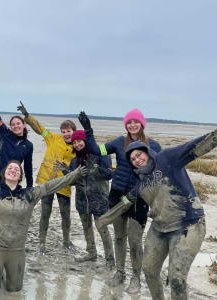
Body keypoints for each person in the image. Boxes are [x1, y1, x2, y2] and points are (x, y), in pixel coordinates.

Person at [96, 128, 217, 300]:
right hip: (160, 228)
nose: (137, 160)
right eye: (132, 160)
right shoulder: (140, 184)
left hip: (189, 224)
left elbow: (196, 146)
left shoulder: (167, 158)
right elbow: (124, 204)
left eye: (138, 155)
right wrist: (103, 220)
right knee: (149, 270)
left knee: (176, 278)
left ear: (146, 151)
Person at [0, 160, 87, 297]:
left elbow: (51, 186)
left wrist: (75, 174)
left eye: (17, 169)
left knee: (14, 290)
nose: (13, 170)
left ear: (20, 177)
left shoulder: (29, 194)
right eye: (10, 168)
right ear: (4, 173)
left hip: (16, 251)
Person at [78, 109, 162, 293]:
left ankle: (135, 278)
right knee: (118, 237)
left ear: (142, 124)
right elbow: (95, 150)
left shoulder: (154, 145)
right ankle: (120, 272)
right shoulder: (118, 143)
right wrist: (88, 130)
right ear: (126, 125)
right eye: (129, 122)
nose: (132, 125)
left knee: (134, 241)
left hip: (139, 199)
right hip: (117, 196)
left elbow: (159, 173)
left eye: (135, 122)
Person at [17, 102, 76, 253]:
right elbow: (40, 129)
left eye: (68, 131)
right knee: (45, 213)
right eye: (63, 131)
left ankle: (66, 240)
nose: (66, 134)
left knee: (65, 215)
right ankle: (41, 242)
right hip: (47, 181)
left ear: (73, 131)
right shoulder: (53, 138)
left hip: (64, 184)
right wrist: (27, 116)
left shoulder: (78, 145)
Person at [54, 130, 115, 269]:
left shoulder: (100, 154)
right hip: (82, 200)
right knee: (86, 227)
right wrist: (67, 172)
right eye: (74, 142)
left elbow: (108, 175)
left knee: (103, 229)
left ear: (85, 140)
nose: (77, 144)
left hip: (99, 199)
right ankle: (91, 253)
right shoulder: (75, 160)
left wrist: (95, 168)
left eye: (79, 141)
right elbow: (72, 182)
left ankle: (110, 260)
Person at [0, 90, 33, 187]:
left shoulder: (28, 145)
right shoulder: (4, 133)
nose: (16, 126)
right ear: (10, 127)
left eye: (18, 123)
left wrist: (29, 187)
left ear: (24, 125)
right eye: (13, 125)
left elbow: (28, 168)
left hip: (10, 181)